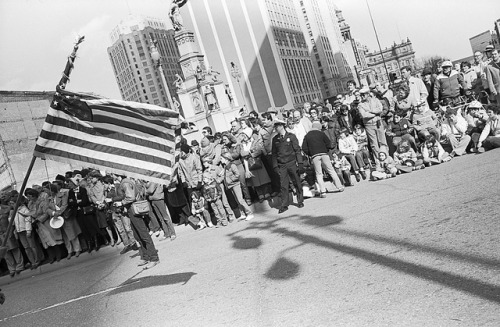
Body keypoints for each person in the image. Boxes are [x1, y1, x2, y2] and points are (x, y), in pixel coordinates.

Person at [116, 176, 159, 270]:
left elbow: (130, 197)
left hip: (133, 209)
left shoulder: (125, 183)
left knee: (143, 234)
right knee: (137, 235)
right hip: (132, 210)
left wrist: (121, 203)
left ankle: (154, 258)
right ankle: (146, 256)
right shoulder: (126, 182)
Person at [302, 122, 344, 197]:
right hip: (324, 154)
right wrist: (326, 149)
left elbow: (304, 148)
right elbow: (329, 144)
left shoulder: (307, 136)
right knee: (331, 170)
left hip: (315, 156)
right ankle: (339, 186)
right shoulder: (321, 134)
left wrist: (310, 153)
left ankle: (323, 191)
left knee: (319, 173)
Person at [271, 119, 304, 214]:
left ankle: (300, 200)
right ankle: (284, 204)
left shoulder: (291, 136)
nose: (276, 128)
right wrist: (275, 166)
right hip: (282, 165)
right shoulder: (275, 139)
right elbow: (274, 154)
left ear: (282, 126)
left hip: (292, 162)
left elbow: (297, 150)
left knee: (297, 181)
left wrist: (300, 163)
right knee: (283, 185)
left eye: (277, 126)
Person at [26, 188, 64, 264]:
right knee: (44, 241)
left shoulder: (42, 202)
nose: (29, 198)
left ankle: (59, 254)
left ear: (34, 195)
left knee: (52, 238)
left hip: (45, 222)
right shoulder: (30, 204)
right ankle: (51, 256)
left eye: (30, 196)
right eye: (27, 196)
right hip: (37, 224)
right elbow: (31, 213)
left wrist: (39, 219)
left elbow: (46, 212)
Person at [103, 176, 138, 254]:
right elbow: (107, 201)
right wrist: (104, 204)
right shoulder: (106, 191)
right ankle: (127, 244)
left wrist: (112, 199)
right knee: (120, 230)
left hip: (121, 209)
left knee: (127, 227)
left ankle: (133, 242)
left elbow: (122, 196)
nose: (103, 185)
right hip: (114, 212)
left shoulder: (117, 186)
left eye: (104, 183)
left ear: (108, 183)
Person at [49, 183, 82, 259]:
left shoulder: (62, 195)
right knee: (64, 236)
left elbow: (65, 205)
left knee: (72, 233)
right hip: (57, 220)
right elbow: (47, 209)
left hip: (65, 216)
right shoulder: (49, 199)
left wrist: (59, 212)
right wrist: (53, 213)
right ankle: (69, 251)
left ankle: (77, 249)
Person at [220, 153, 254, 220]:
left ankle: (249, 213)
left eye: (221, 158)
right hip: (231, 186)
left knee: (240, 200)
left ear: (226, 158)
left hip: (235, 184)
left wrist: (230, 180)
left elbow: (237, 174)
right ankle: (243, 213)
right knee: (237, 200)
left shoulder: (232, 165)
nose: (221, 160)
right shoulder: (225, 166)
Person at [357, 87, 388, 157]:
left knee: (382, 141)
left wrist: (370, 111)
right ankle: (378, 159)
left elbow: (380, 109)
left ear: (368, 94)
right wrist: (375, 114)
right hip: (369, 125)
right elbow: (364, 115)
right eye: (361, 95)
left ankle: (386, 157)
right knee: (374, 144)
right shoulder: (360, 105)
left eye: (363, 95)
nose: (362, 96)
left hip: (378, 123)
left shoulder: (376, 100)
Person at [13, 195, 40, 269]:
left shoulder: (24, 209)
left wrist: (28, 230)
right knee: (26, 247)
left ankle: (37, 260)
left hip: (26, 230)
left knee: (32, 246)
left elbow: (28, 219)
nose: (12, 205)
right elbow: (13, 222)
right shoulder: (13, 211)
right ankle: (32, 262)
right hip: (20, 231)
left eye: (13, 203)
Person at [0, 192, 24, 276]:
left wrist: (10, 231)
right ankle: (12, 269)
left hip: (7, 232)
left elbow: (11, 221)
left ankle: (19, 266)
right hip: (0, 235)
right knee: (5, 252)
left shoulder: (7, 208)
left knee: (14, 249)